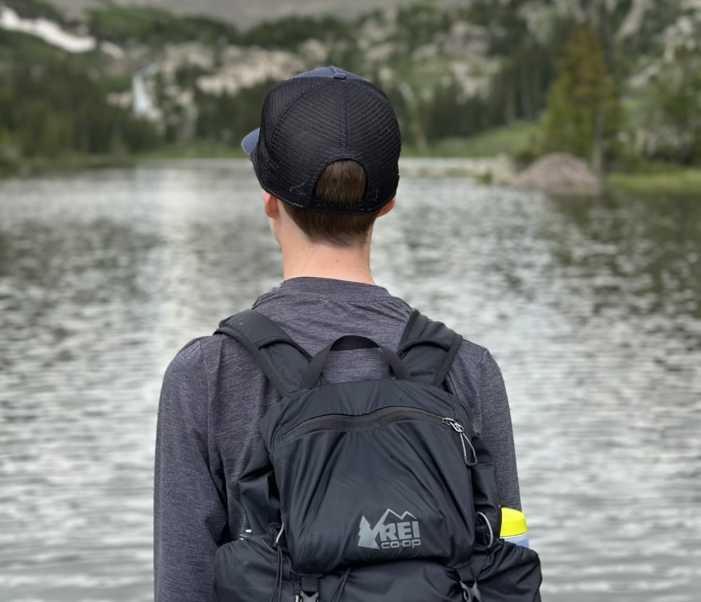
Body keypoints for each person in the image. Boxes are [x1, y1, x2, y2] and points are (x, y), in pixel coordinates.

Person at [153, 66, 522, 602]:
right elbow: (506, 563)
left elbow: (182, 589)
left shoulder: (206, 375)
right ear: (387, 204)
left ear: (269, 200)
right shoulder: (469, 368)